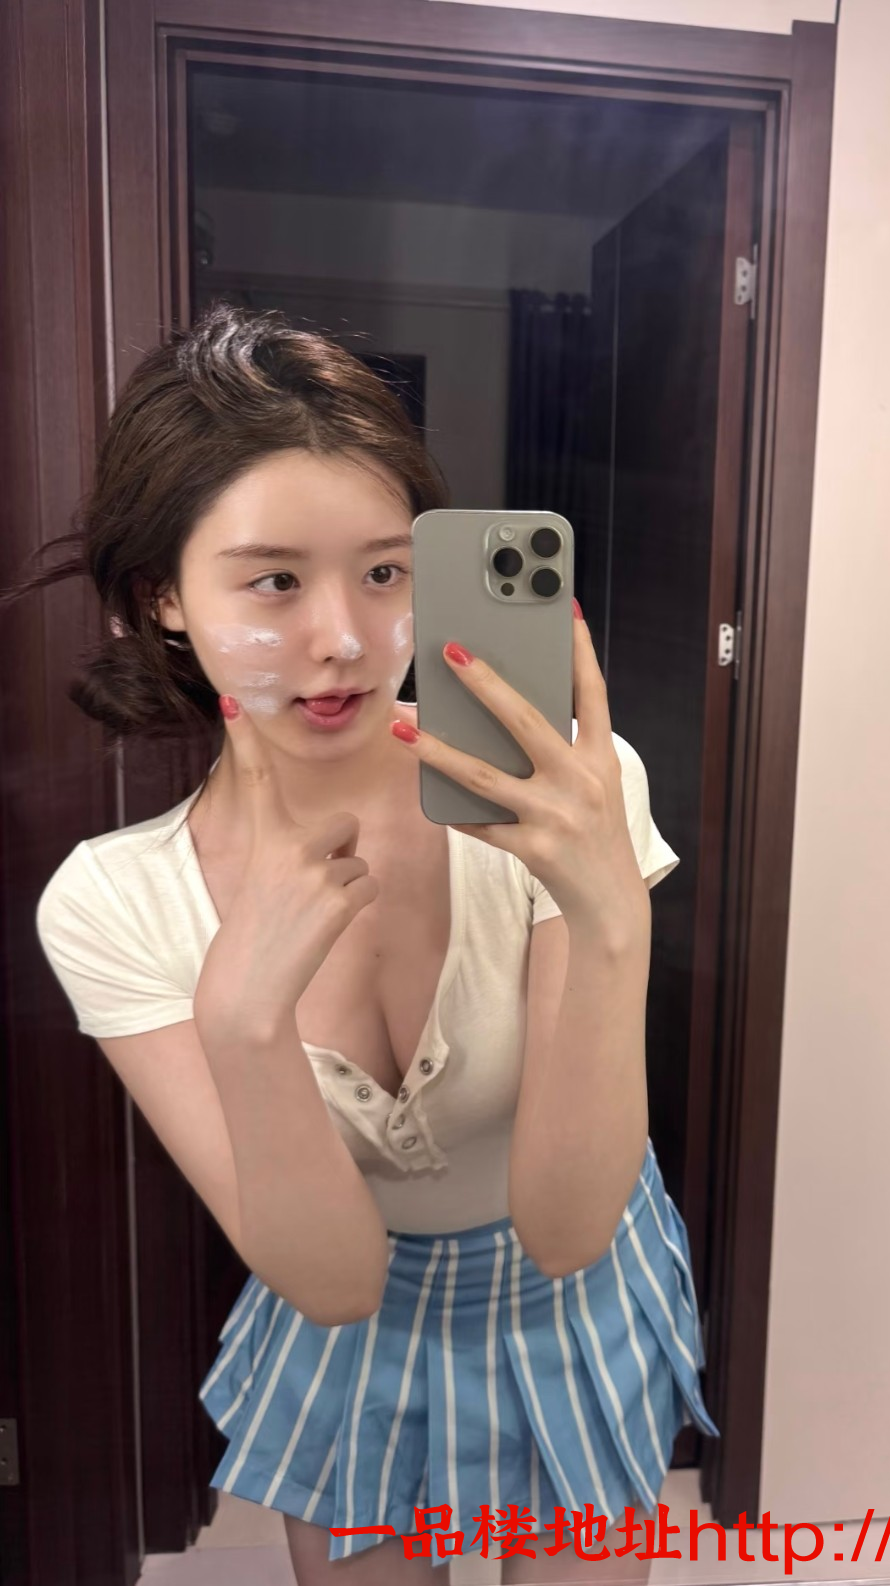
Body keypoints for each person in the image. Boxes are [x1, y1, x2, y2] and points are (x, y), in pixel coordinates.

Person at [11, 304, 718, 1585]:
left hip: (579, 1288)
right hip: (348, 1334)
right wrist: (241, 1021)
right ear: (162, 596)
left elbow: (566, 1226)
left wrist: (610, 914)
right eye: (274, 579)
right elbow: (335, 1281)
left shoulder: (564, 796)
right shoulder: (113, 904)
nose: (342, 637)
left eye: (386, 572)